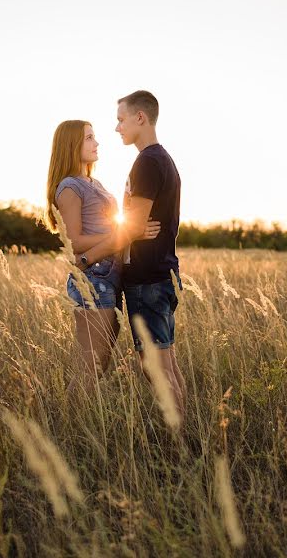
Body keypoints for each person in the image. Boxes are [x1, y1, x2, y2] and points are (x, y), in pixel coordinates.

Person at [76, 91, 186, 420]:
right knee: (167, 366)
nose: (116, 128)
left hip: (148, 279)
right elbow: (135, 227)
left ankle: (179, 445)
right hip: (158, 275)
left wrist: (88, 256)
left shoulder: (149, 162)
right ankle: (183, 438)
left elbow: (136, 225)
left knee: (157, 370)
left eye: (121, 119)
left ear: (141, 118)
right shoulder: (157, 159)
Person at [44, 120, 160, 387]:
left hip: (108, 275)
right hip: (92, 278)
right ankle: (66, 424)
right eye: (89, 138)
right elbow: (74, 241)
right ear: (71, 144)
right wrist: (127, 234)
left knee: (100, 364)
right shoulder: (70, 186)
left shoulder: (92, 182)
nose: (96, 143)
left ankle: (77, 419)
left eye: (94, 137)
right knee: (90, 367)